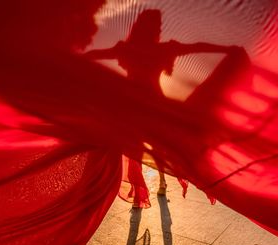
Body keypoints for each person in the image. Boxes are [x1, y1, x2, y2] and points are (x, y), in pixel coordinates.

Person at [84, 9, 237, 201]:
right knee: (156, 147)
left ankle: (150, 184)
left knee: (143, 147)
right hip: (151, 108)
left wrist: (75, 59)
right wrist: (227, 49)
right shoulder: (155, 48)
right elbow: (196, 47)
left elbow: (97, 54)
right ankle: (157, 183)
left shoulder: (130, 48)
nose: (158, 29)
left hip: (140, 108)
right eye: (156, 26)